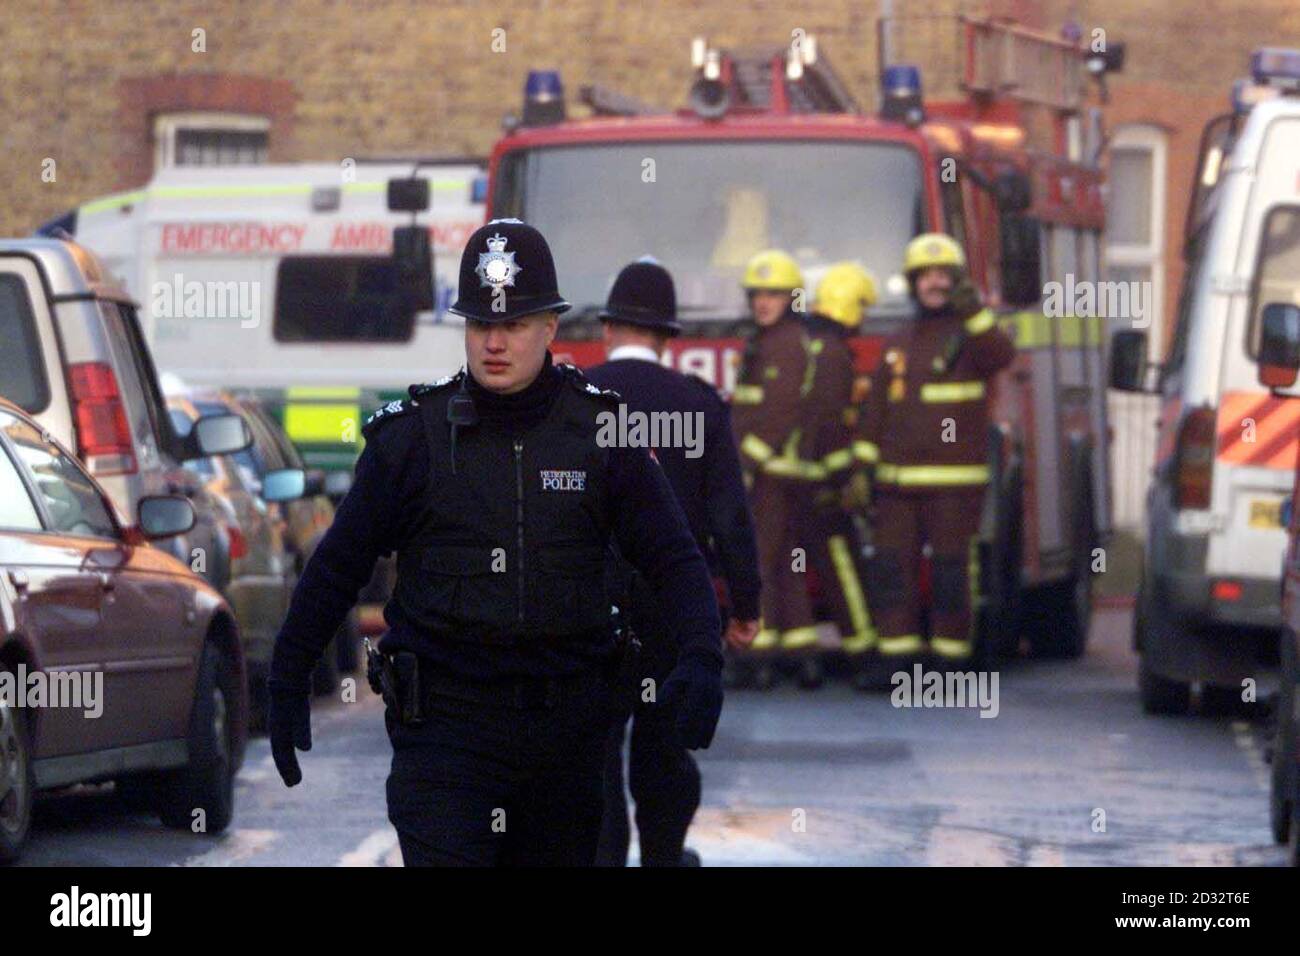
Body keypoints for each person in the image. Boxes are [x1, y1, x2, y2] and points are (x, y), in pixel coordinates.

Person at [265, 219, 725, 867]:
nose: (495, 343)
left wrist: (702, 656)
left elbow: (672, 554)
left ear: (549, 329)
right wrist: (289, 674)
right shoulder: (412, 441)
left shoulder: (601, 432)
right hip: (446, 734)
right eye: (481, 326)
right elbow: (339, 565)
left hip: (564, 735)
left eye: (513, 326)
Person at [585, 257, 760, 867]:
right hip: (671, 606)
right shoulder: (699, 404)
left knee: (595, 747)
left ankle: (603, 858)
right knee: (663, 742)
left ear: (609, 330)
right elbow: (731, 517)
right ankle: (663, 855)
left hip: (588, 606)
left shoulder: (577, 399)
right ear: (668, 337)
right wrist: (745, 607)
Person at [859, 233, 1015, 668]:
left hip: (952, 485)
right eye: (924, 275)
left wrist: (974, 310)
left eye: (943, 274)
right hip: (895, 487)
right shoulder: (899, 341)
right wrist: (861, 468)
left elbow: (1001, 354)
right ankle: (897, 658)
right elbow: (875, 409)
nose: (933, 282)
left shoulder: (972, 336)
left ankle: (949, 659)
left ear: (958, 281)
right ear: (912, 283)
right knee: (891, 570)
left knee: (950, 571)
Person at [729, 249, 824, 688]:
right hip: (776, 473)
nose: (764, 301)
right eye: (758, 294)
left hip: (771, 474)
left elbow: (781, 411)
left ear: (792, 298)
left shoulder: (786, 343)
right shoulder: (767, 340)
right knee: (784, 564)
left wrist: (744, 461)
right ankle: (803, 655)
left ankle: (757, 657)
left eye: (774, 294)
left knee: (758, 562)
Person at [803, 263, 878, 687]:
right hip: (821, 486)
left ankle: (785, 655)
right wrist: (843, 480)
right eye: (862, 307)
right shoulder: (833, 354)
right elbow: (831, 425)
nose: (864, 318)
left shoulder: (807, 343)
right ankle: (863, 651)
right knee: (841, 565)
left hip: (796, 481)